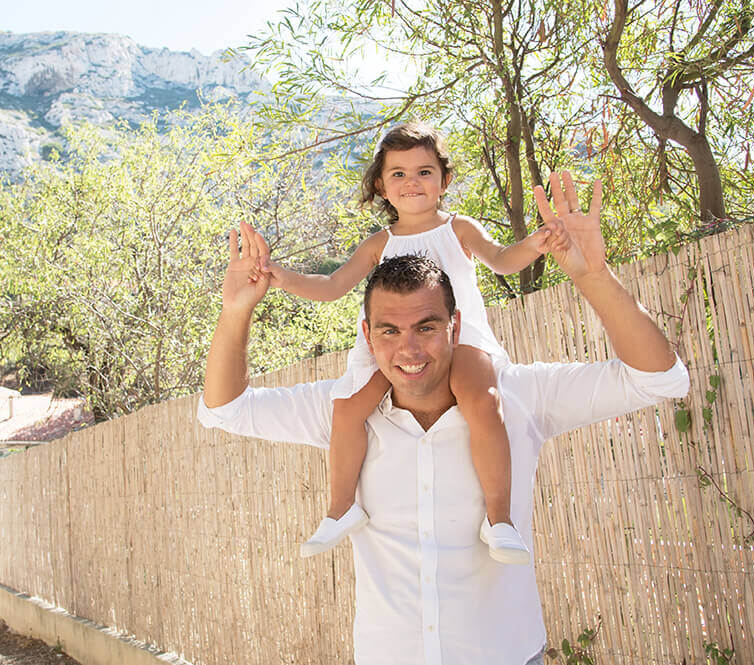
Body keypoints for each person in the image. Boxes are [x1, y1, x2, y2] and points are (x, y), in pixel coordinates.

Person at [198, 172, 689, 665]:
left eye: (426, 326)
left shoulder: (515, 397)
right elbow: (225, 408)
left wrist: (593, 276)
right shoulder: (343, 409)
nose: (408, 348)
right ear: (367, 337)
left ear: (455, 325)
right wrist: (236, 311)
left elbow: (659, 379)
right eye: (389, 330)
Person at [250, 122, 561, 562]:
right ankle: (342, 507)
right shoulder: (379, 243)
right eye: (398, 173)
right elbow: (333, 285)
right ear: (380, 184)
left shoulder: (459, 229)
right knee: (347, 406)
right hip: (394, 345)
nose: (411, 182)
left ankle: (500, 519)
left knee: (483, 400)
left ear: (444, 180)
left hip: (460, 337)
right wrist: (281, 277)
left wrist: (538, 242)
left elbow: (503, 260)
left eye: (423, 172)